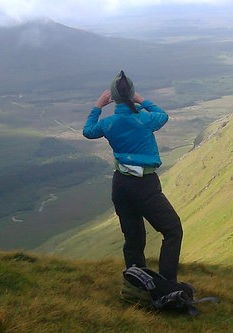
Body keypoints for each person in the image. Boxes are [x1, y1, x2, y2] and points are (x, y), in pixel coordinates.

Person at [83, 70, 183, 282]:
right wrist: (141, 100)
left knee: (133, 238)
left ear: (113, 97)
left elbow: (88, 131)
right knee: (172, 230)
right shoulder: (145, 119)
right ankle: (166, 286)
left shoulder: (108, 123)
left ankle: (136, 284)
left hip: (120, 185)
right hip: (145, 185)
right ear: (131, 95)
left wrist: (98, 106)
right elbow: (163, 116)